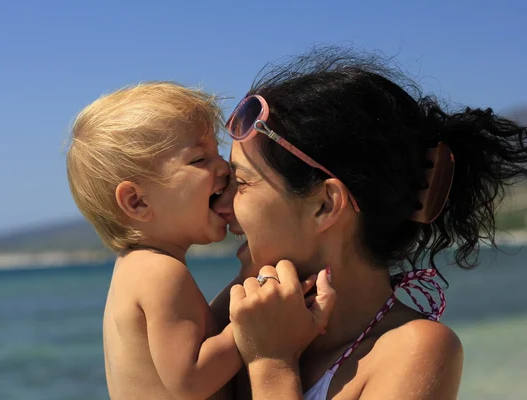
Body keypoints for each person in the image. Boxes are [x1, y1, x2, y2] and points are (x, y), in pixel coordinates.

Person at [211, 46, 527, 399]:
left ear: (325, 206)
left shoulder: (414, 349)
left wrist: (271, 363)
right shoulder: (241, 322)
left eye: (241, 183)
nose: (220, 205)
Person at [65, 82, 252, 400]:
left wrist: (247, 280)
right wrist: (257, 328)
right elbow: (192, 379)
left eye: (216, 152)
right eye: (199, 160)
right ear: (137, 202)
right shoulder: (160, 273)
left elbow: (204, 330)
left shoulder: (135, 268)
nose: (224, 167)